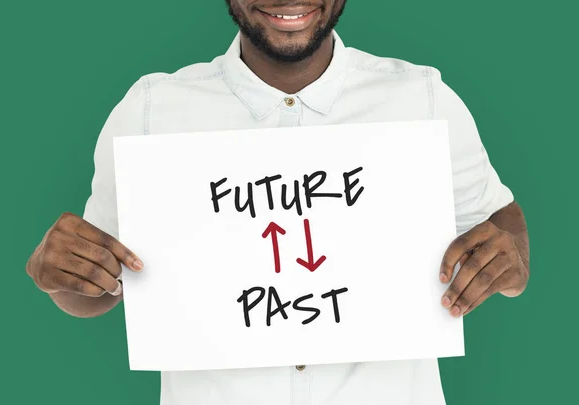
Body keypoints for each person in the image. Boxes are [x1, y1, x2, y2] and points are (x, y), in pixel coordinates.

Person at [26, 1, 530, 404]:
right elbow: (96, 287)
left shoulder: (423, 99)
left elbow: (501, 222)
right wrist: (61, 272)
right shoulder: (151, 111)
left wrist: (511, 262)